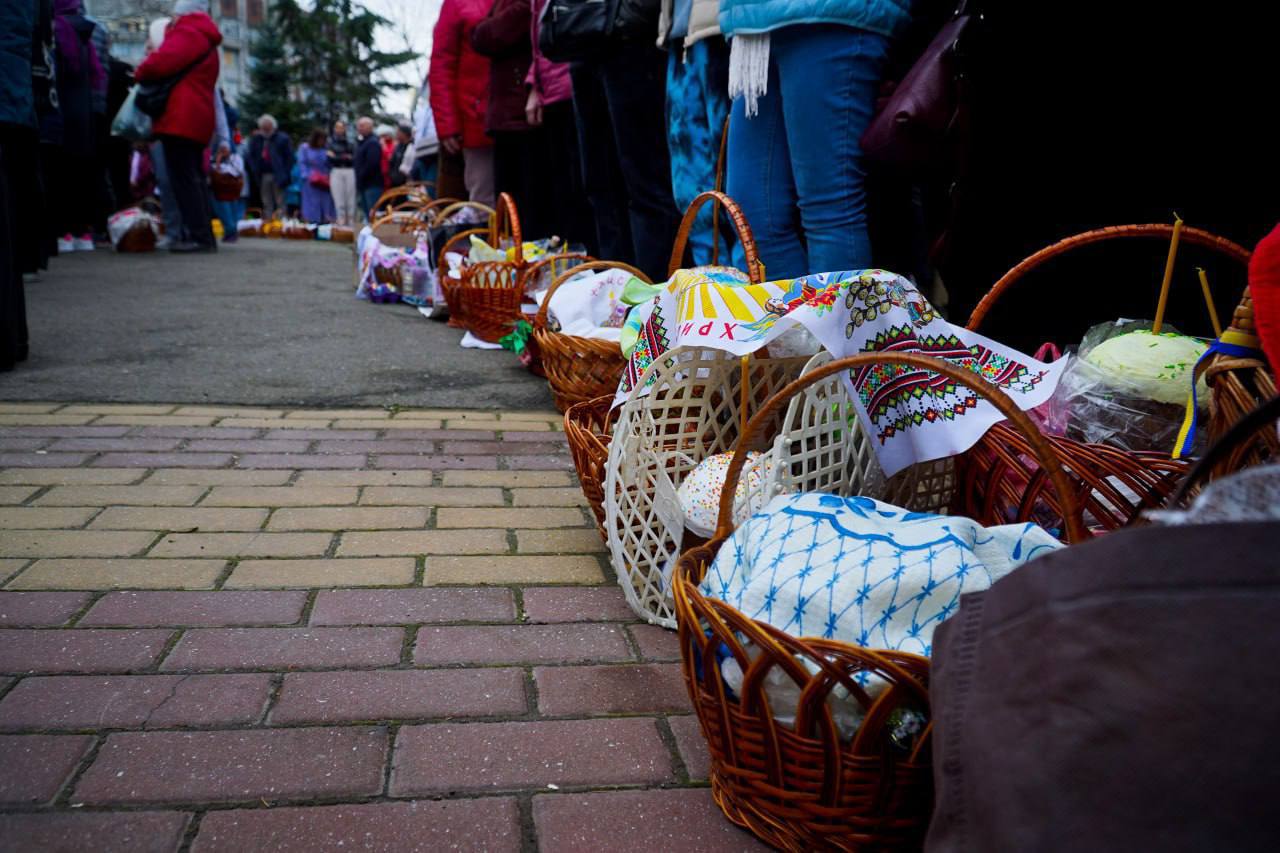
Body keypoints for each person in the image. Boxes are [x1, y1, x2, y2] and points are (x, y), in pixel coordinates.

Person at [720, 0, 904, 279]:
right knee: (752, 215)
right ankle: (789, 321)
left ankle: (838, 322)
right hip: (751, 23)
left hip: (830, 14)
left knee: (828, 209)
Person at [134, 0, 221, 253]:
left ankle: (199, 237)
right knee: (194, 178)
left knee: (184, 179)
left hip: (181, 117)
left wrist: (141, 71)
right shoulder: (205, 35)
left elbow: (161, 61)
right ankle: (202, 235)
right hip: (197, 116)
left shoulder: (188, 32)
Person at [660, 0, 731, 266]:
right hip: (680, 38)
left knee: (730, 182)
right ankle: (710, 286)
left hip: (719, 30)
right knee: (689, 189)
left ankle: (746, 293)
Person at [526, 0, 594, 250]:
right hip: (551, 90)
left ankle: (598, 266)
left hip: (573, 77)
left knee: (588, 186)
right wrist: (534, 84)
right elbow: (539, 34)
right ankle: (578, 266)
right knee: (567, 189)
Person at [51, 0, 105, 254]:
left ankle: (64, 233)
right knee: (83, 176)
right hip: (84, 116)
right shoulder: (88, 34)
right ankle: (84, 232)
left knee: (61, 177)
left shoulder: (57, 29)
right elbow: (97, 76)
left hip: (62, 111)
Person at [429, 0, 494, 205]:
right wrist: (448, 125)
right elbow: (442, 64)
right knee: (484, 200)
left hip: (519, 115)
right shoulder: (458, 4)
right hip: (476, 119)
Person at [246, 113, 292, 221]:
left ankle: (281, 222)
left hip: (278, 174)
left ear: (273, 126)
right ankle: (268, 221)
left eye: (267, 127)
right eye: (263, 128)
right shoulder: (257, 139)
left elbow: (289, 158)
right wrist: (254, 169)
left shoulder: (282, 139)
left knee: (280, 200)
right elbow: (251, 156)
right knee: (266, 200)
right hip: (262, 174)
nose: (265, 130)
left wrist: (285, 173)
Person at [297, 127, 335, 223]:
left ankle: (325, 221)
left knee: (326, 202)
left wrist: (332, 158)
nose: (322, 142)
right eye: (320, 139)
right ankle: (312, 223)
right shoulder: (305, 148)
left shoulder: (326, 150)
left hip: (324, 181)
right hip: (310, 181)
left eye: (324, 139)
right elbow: (302, 163)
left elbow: (329, 165)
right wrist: (307, 176)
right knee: (311, 203)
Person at [209, 140, 244, 242]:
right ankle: (230, 232)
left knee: (230, 211)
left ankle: (231, 232)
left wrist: (221, 166)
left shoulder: (236, 157)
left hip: (231, 188)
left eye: (225, 148)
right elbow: (214, 170)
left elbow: (237, 171)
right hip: (219, 188)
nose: (223, 150)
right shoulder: (213, 157)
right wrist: (218, 160)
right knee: (223, 210)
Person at [326, 119, 356, 226]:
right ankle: (341, 222)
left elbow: (353, 158)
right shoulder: (330, 142)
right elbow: (330, 158)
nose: (339, 130)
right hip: (336, 170)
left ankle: (351, 223)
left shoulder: (351, 142)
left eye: (341, 127)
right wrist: (343, 157)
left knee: (350, 199)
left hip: (349, 170)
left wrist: (337, 156)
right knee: (339, 199)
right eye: (337, 127)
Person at [353, 116, 383, 220]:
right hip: (364, 184)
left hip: (372, 184)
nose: (359, 128)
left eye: (362, 126)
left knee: (373, 213)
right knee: (367, 213)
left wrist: (361, 175)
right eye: (358, 126)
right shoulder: (362, 142)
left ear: (370, 127)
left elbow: (372, 164)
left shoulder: (373, 143)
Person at [387, 124, 412, 188]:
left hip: (407, 182)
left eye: (398, 132)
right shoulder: (398, 146)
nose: (396, 134)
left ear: (404, 134)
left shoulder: (412, 146)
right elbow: (392, 162)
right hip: (395, 181)